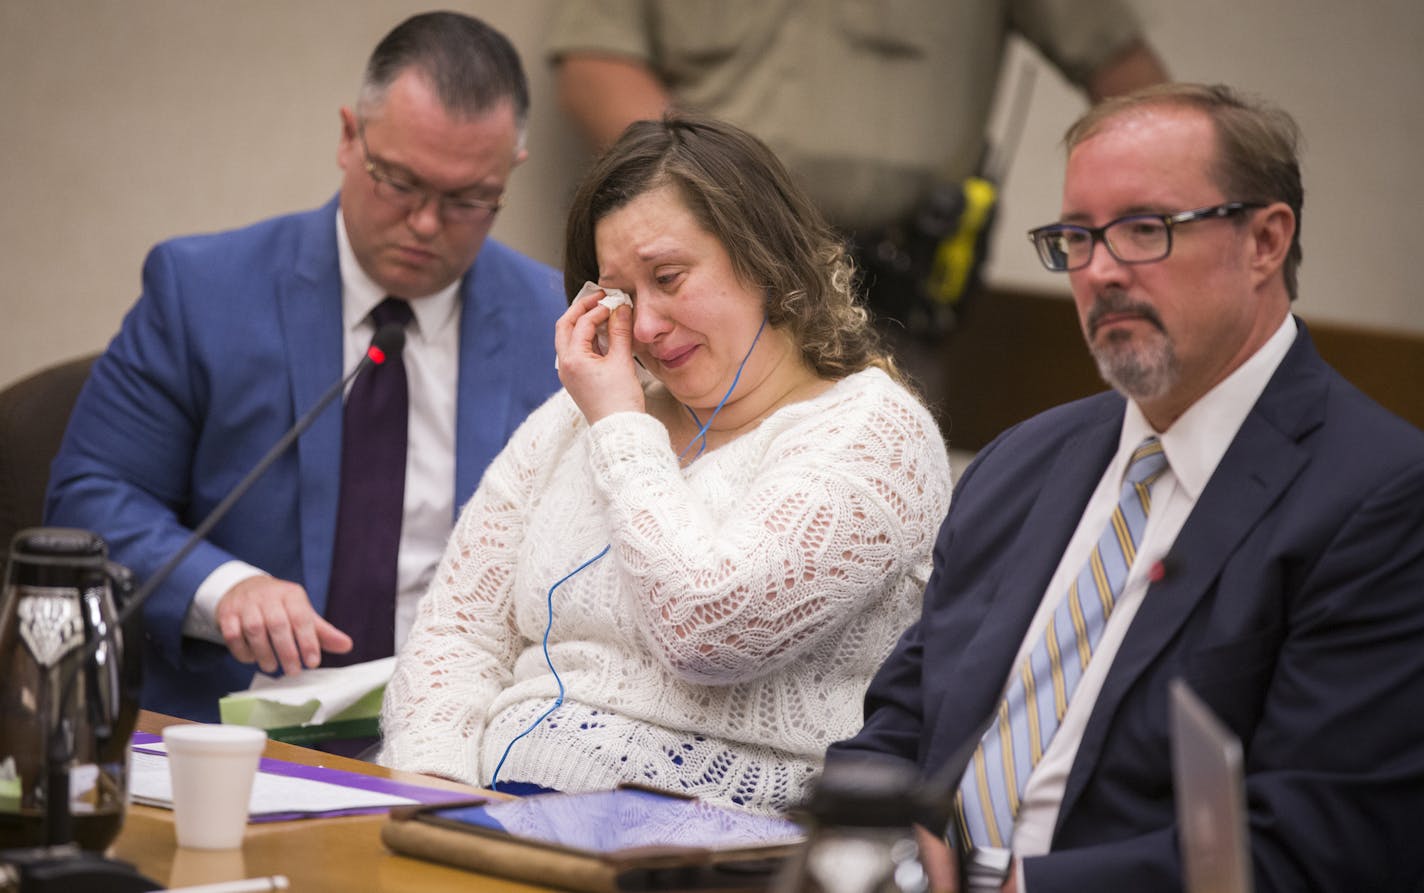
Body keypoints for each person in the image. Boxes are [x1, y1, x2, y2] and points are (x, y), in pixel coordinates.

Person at [828, 83, 1424, 891]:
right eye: (1076, 236)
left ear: (1265, 241)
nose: (1100, 270)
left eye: (1145, 228)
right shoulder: (1020, 464)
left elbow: (1317, 845)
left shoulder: (1379, 496)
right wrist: (886, 840)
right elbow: (899, 725)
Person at [378, 113, 952, 813]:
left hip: (704, 848)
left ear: (764, 258)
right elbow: (457, 632)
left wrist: (622, 425)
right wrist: (433, 795)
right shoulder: (575, 417)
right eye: (620, 293)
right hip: (484, 814)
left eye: (669, 277)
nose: (644, 326)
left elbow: (709, 628)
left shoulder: (876, 433)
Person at [45, 13, 566, 722]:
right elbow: (90, 495)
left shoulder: (559, 323)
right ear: (349, 137)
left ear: (510, 172)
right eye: (401, 182)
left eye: (467, 200)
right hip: (235, 733)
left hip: (463, 743)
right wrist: (223, 587)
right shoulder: (202, 291)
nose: (424, 223)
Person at [545, 0, 1167, 422]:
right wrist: (693, 205)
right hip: (707, 293)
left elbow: (1127, 75)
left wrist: (1144, 230)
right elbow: (595, 65)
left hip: (895, 290)